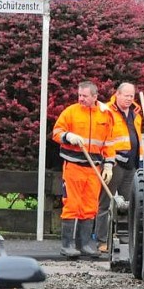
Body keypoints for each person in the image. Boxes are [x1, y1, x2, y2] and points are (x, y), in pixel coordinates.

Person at [53, 81, 115, 258]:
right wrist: (67, 136)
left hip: (94, 168)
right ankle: (67, 245)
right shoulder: (70, 112)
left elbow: (109, 143)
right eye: (79, 95)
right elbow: (56, 132)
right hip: (73, 166)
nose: (81, 98)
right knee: (72, 205)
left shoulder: (105, 116)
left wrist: (109, 165)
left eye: (85, 96)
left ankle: (84, 244)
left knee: (89, 207)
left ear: (95, 97)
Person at [94, 82, 143, 253]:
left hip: (131, 164)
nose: (129, 98)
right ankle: (101, 239)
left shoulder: (136, 114)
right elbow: (105, 136)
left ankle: (125, 237)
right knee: (105, 202)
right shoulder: (107, 111)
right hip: (113, 163)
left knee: (128, 203)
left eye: (132, 96)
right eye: (126, 95)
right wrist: (108, 160)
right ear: (118, 94)